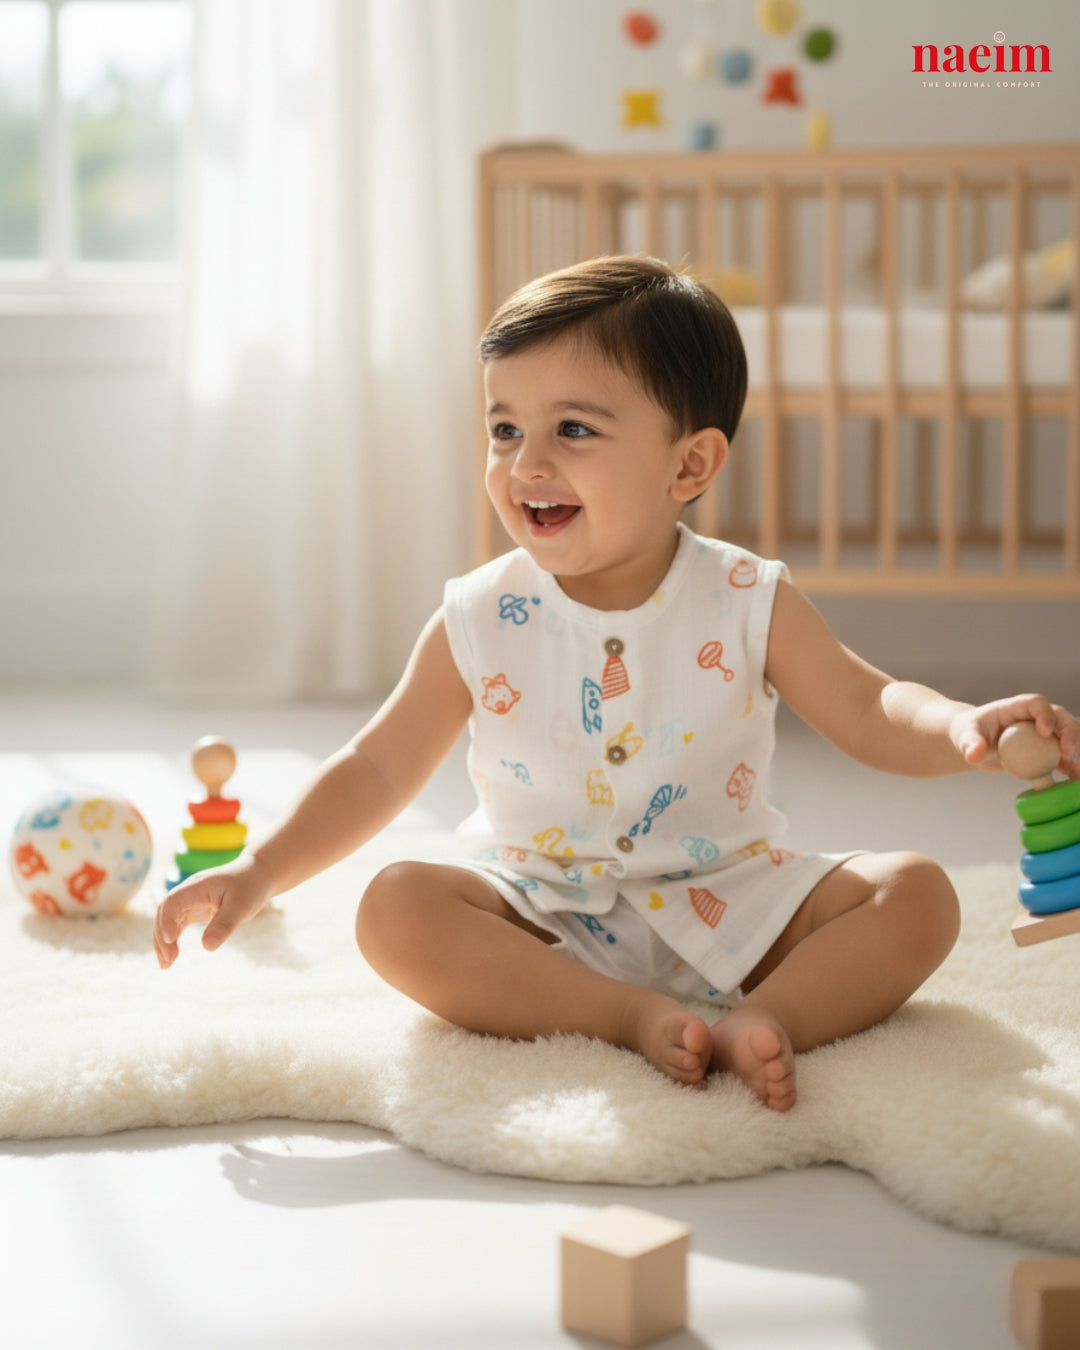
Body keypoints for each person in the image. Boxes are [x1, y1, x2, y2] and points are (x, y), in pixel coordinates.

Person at [154, 256, 1079, 1111]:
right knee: (395, 906)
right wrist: (261, 869)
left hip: (737, 900)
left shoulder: (748, 597)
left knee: (917, 892)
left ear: (690, 464)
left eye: (573, 430)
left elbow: (869, 708)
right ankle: (618, 1018)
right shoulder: (479, 615)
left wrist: (965, 725)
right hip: (545, 916)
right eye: (505, 428)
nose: (527, 464)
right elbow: (378, 767)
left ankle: (773, 1018)